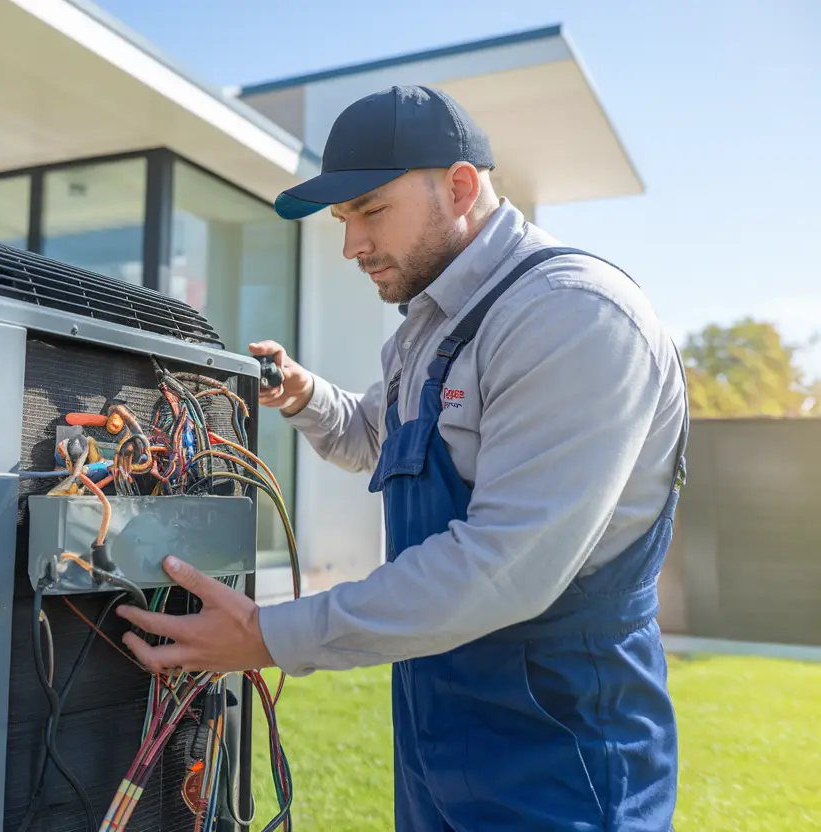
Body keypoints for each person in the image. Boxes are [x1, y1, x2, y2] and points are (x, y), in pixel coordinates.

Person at [116, 84, 687, 831]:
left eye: (372, 211)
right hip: (440, 741)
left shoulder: (573, 315)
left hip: (564, 758)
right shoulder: (424, 332)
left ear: (459, 187)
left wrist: (268, 634)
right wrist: (300, 394)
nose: (352, 246)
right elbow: (373, 437)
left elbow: (503, 565)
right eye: (342, 220)